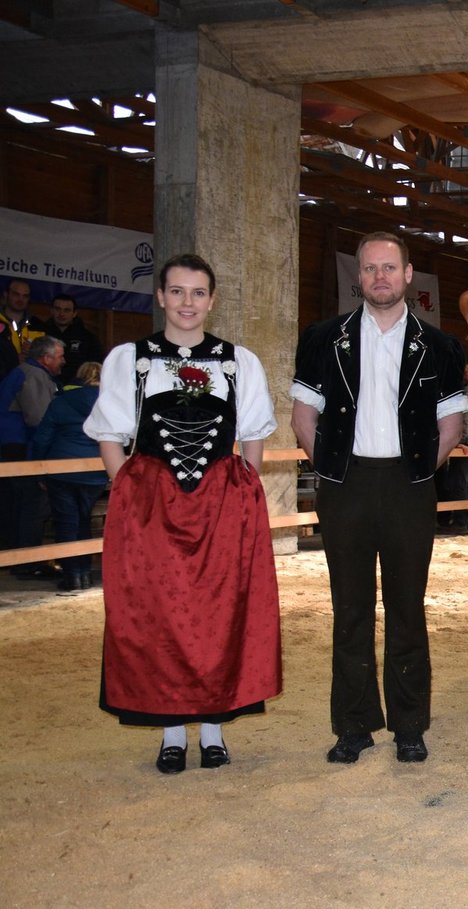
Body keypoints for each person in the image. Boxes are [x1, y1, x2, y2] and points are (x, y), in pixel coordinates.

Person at [83, 254, 281, 773]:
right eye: (177, 291)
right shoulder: (132, 359)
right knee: (160, 615)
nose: (186, 302)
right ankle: (172, 734)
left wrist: (244, 488)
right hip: (152, 506)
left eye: (197, 293)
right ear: (161, 296)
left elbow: (253, 433)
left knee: (219, 614)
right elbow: (110, 434)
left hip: (220, 506)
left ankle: (213, 731)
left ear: (211, 300)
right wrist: (128, 488)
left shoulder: (239, 361)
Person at [291, 231, 467, 765]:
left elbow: (452, 424)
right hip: (345, 485)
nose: (380, 277)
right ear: (359, 277)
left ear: (407, 275)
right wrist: (330, 471)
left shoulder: (440, 346)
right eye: (370, 268)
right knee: (350, 609)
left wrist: (420, 470)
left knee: (407, 608)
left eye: (389, 268)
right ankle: (354, 725)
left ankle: (410, 726)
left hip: (408, 486)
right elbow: (304, 416)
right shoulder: (324, 338)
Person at [30, 360, 109, 592]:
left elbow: (42, 438)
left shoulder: (61, 401)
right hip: (95, 471)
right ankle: (84, 573)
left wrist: (39, 469)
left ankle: (73, 576)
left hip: (61, 471)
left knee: (66, 522)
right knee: (83, 520)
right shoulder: (109, 403)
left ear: (80, 377)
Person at [0, 335, 64, 573]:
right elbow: (39, 418)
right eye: (60, 356)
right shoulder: (33, 375)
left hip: (13, 446)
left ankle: (20, 560)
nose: (63, 361)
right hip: (20, 448)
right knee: (31, 504)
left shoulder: (23, 372)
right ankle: (28, 563)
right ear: (46, 358)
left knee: (18, 504)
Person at [438, 359, 468, 535]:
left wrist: (461, 439)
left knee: (458, 481)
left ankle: (460, 522)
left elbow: (465, 418)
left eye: (467, 372)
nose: (464, 375)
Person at [43, 294, 104, 383]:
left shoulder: (88, 338)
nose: (61, 314)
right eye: (58, 309)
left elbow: (95, 366)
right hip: (45, 384)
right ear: (51, 310)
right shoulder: (41, 334)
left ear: (74, 313)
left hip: (77, 387)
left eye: (66, 310)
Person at [2, 278, 45, 366]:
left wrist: (34, 353)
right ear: (6, 295)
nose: (20, 299)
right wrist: (13, 360)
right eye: (16, 294)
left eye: (25, 296)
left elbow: (47, 359)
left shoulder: (39, 325)